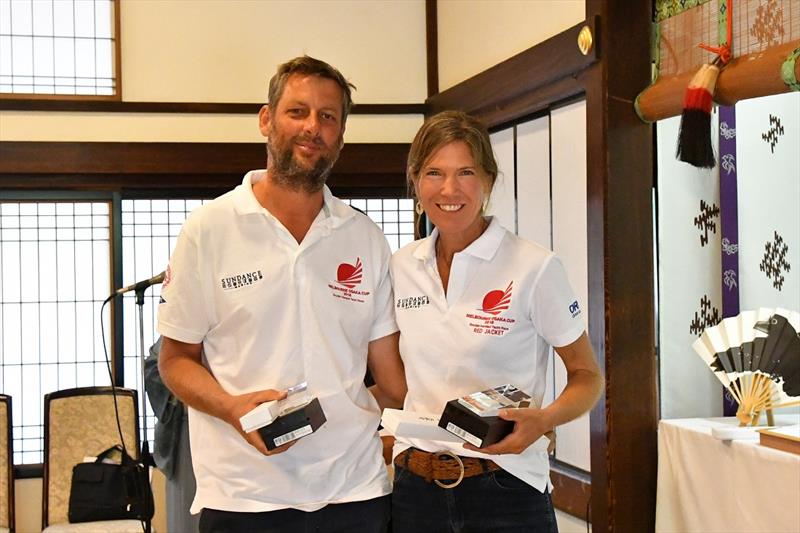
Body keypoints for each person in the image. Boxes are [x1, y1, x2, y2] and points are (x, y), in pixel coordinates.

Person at [157, 56, 406, 533]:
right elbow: (175, 360)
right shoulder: (208, 230)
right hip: (244, 497)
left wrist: (461, 416)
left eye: (328, 117)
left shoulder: (364, 237)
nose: (313, 127)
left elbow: (392, 376)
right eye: (298, 111)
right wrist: (233, 409)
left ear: (340, 136)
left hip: (355, 490)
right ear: (266, 119)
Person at [390, 110, 603, 532]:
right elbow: (396, 377)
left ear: (488, 181)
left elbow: (587, 376)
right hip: (416, 490)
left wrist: (545, 420)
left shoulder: (534, 266)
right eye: (434, 172)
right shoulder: (401, 266)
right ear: (415, 180)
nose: (449, 189)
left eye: (465, 172)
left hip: (506, 487)